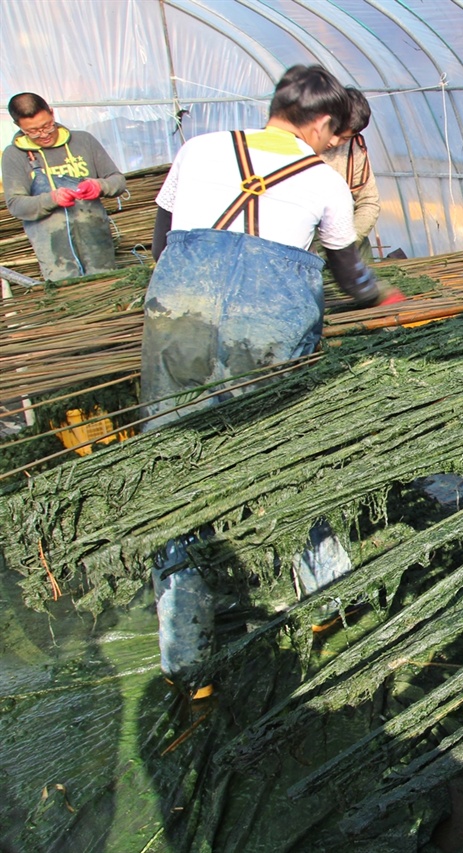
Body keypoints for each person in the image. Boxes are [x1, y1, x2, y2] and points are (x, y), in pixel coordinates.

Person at [141, 65, 403, 697]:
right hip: (269, 337)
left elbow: (161, 242)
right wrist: (381, 297)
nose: (335, 146)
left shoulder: (199, 149)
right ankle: (328, 600)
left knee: (176, 473)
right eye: (337, 136)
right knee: (287, 460)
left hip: (180, 321)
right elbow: (350, 274)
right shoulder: (324, 181)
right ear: (322, 123)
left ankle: (186, 660)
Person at [2, 92, 127, 281]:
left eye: (46, 126)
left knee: (106, 287)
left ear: (52, 113)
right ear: (18, 126)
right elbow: (16, 204)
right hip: (54, 254)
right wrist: (51, 199)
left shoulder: (84, 141)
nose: (43, 134)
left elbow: (117, 180)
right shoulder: (14, 155)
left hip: (97, 242)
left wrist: (100, 185)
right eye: (33, 131)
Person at [314, 86, 380, 263]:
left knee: (365, 278)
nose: (335, 142)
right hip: (306, 239)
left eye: (344, 138)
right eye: (334, 133)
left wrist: (350, 241)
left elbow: (369, 202)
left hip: (347, 235)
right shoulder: (299, 144)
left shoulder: (354, 149)